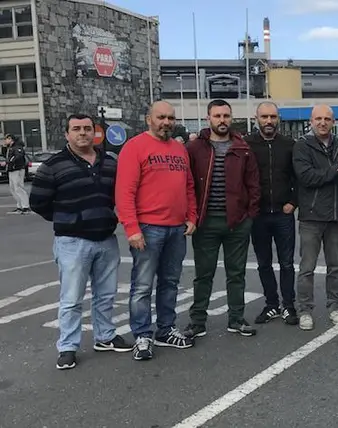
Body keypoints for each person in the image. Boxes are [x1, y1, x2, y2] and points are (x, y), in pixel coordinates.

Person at [29, 114, 132, 370]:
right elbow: (38, 202)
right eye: (76, 129)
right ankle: (67, 347)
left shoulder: (109, 163)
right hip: (72, 242)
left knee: (105, 295)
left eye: (87, 128)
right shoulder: (53, 166)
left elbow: (119, 195)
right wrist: (69, 218)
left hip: (106, 239)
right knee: (72, 299)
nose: (83, 133)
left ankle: (105, 337)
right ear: (67, 134)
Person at [116, 100, 198, 361]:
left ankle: (165, 329)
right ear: (148, 119)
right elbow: (124, 192)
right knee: (142, 286)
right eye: (161, 117)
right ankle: (142, 335)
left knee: (170, 283)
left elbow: (188, 186)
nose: (166, 122)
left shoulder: (179, 149)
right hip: (148, 228)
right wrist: (132, 228)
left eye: (170, 118)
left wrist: (192, 216)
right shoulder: (134, 147)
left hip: (176, 228)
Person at [183, 99, 261, 339]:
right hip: (206, 222)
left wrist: (249, 216)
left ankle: (236, 319)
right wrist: (192, 215)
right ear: (208, 118)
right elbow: (186, 183)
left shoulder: (242, 148)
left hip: (237, 222)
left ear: (231, 118)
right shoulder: (194, 148)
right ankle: (197, 321)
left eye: (226, 116)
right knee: (203, 274)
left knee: (236, 273)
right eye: (217, 116)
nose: (222, 120)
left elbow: (254, 184)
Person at [293, 105, 338, 331]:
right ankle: (305, 310)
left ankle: (334, 306)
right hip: (311, 216)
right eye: (318, 118)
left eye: (327, 119)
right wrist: (335, 169)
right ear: (311, 121)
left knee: (335, 266)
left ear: (333, 122)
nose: (322, 122)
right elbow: (307, 177)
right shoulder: (302, 146)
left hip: (336, 216)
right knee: (307, 267)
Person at [245, 101, 299, 326]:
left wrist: (293, 202)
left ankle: (289, 305)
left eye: (273, 117)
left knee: (287, 263)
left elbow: (298, 176)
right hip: (258, 215)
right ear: (256, 119)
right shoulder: (247, 144)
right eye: (264, 117)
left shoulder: (289, 145)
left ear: (278, 119)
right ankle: (271, 304)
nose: (269, 121)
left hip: (283, 214)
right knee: (264, 263)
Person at [2, 134, 30, 215]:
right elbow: (5, 155)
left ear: (10, 139)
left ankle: (25, 206)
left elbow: (18, 156)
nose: (5, 141)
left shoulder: (17, 147)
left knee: (18, 187)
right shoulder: (10, 148)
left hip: (17, 169)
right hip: (12, 169)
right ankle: (20, 206)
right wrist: (4, 148)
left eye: (6, 139)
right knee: (13, 188)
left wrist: (8, 162)